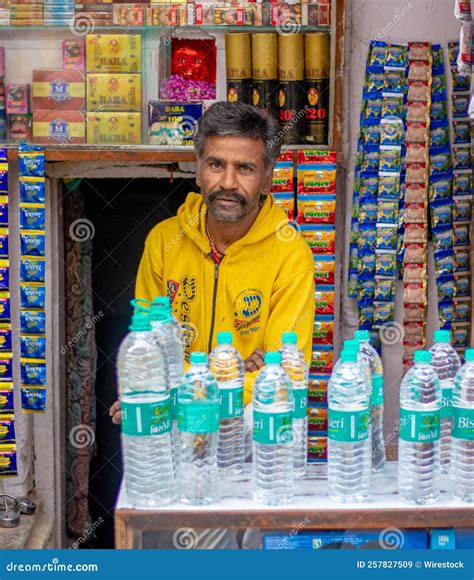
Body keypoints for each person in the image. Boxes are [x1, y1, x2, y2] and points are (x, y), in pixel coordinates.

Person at [110, 101, 315, 548]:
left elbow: (282, 371)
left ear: (267, 177)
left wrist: (202, 394)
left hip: (246, 439)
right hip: (172, 438)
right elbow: (146, 349)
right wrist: (233, 370)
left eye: (245, 168)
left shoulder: (290, 254)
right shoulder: (165, 241)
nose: (228, 182)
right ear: (197, 168)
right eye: (215, 164)